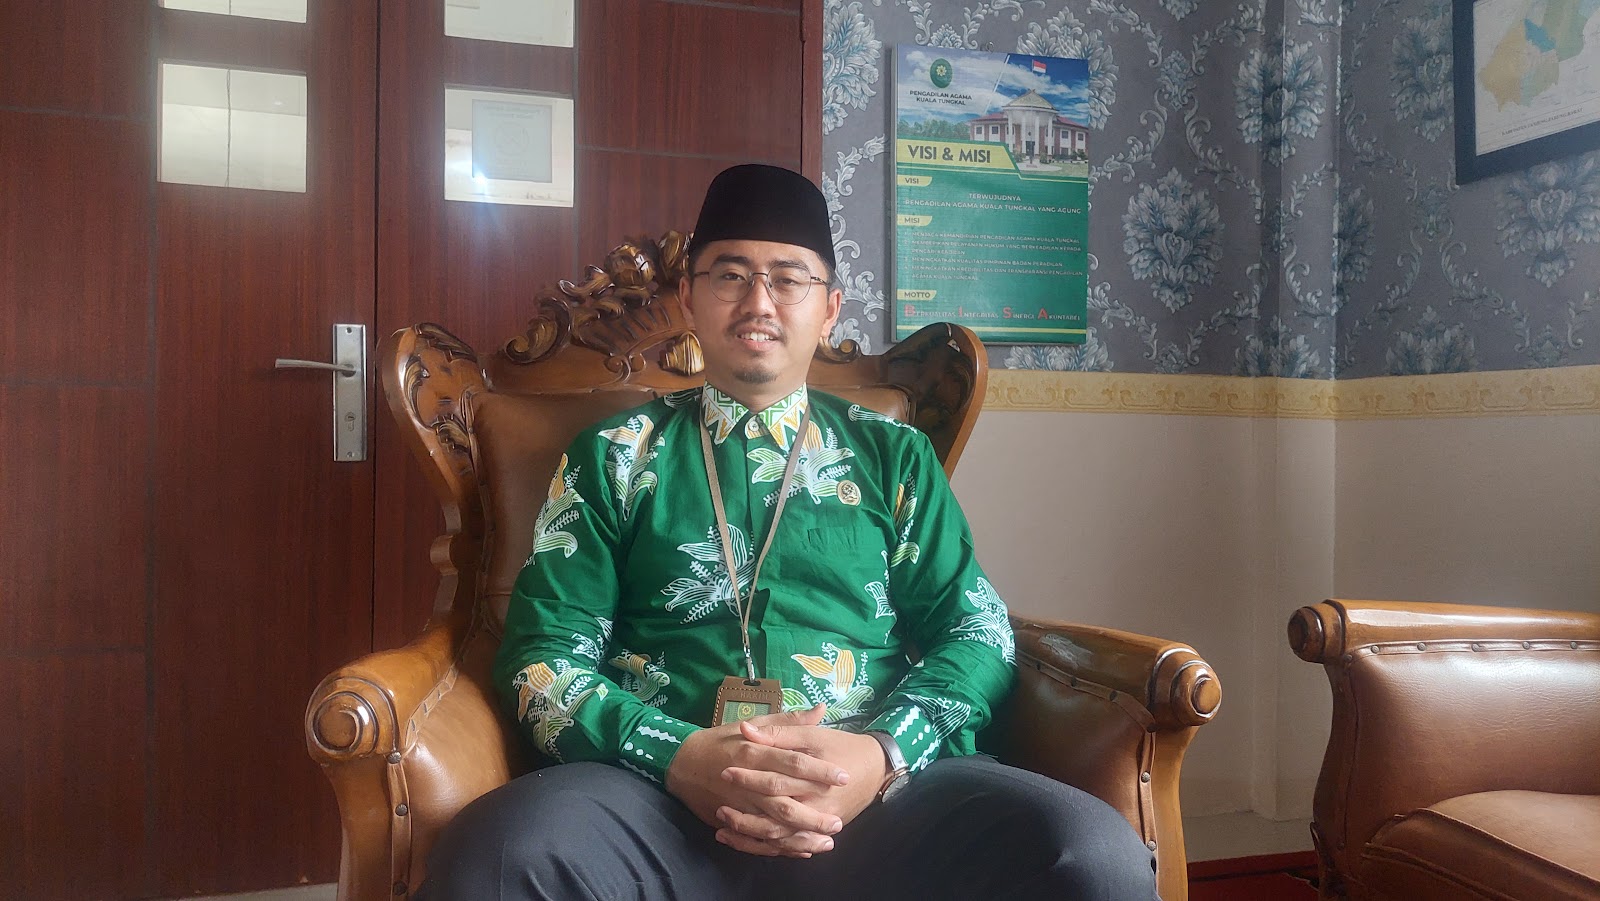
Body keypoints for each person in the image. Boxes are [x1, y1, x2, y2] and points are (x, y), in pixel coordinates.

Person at [417, 165, 1156, 900]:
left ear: (829, 309)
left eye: (788, 279)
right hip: (654, 798)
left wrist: (881, 753)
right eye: (730, 276)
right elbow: (544, 656)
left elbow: (977, 633)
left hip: (876, 800)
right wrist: (677, 755)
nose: (758, 303)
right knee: (500, 858)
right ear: (689, 299)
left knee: (1087, 855)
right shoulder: (615, 455)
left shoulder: (892, 455)